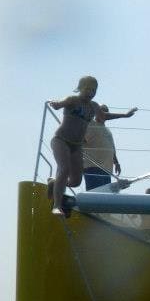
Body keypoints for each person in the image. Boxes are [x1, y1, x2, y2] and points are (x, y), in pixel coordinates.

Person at [46, 76, 99, 216]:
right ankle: (56, 206)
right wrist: (56, 104)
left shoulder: (94, 106)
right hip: (61, 140)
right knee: (64, 169)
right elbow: (60, 103)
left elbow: (105, 115)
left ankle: (55, 183)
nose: (91, 92)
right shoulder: (73, 100)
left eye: (94, 90)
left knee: (76, 181)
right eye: (88, 89)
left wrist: (124, 115)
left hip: (77, 145)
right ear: (81, 88)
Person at [82, 102, 138, 190]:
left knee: (104, 194)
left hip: (107, 169)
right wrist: (125, 115)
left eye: (106, 112)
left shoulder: (107, 130)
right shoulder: (90, 123)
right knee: (94, 193)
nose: (104, 114)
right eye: (102, 112)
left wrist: (116, 162)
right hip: (92, 166)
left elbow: (111, 148)